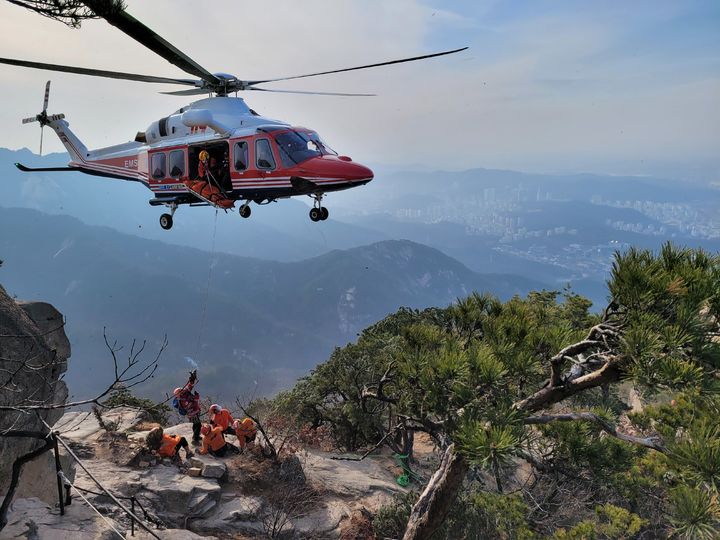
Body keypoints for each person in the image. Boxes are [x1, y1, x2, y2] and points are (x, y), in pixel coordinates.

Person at [172, 369, 202, 445]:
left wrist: (191, 379)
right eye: (181, 390)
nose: (182, 390)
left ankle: (196, 436)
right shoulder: (182, 400)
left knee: (196, 424)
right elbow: (191, 402)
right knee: (198, 425)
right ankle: (195, 439)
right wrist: (196, 397)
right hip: (192, 413)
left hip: (194, 411)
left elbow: (189, 387)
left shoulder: (184, 394)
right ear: (179, 393)